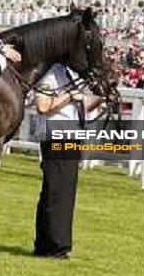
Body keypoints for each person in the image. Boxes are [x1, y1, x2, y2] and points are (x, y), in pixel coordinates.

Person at [33, 63, 105, 259]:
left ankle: (47, 243)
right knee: (58, 191)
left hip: (71, 134)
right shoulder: (49, 75)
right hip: (56, 134)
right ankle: (56, 245)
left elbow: (79, 107)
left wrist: (100, 100)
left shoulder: (69, 74)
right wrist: (70, 96)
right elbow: (43, 106)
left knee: (60, 190)